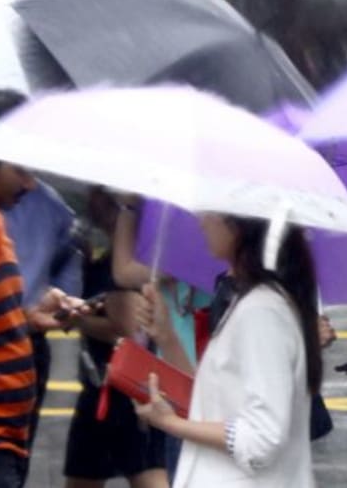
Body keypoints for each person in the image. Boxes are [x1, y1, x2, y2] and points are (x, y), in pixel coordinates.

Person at [134, 216, 320, 487]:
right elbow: (212, 404)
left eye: (212, 213)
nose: (201, 222)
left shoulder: (261, 311)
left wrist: (171, 424)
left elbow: (262, 438)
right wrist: (167, 337)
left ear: (239, 225)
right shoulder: (251, 304)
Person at [0, 90, 83, 456]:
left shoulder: (45, 212)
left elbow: (69, 257)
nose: (29, 183)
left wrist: (31, 314)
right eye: (21, 168)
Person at [63, 187, 168, 488]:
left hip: (123, 389)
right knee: (84, 475)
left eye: (99, 194)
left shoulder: (124, 264)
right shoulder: (116, 257)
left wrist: (79, 320)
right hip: (102, 384)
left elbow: (123, 329)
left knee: (147, 473)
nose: (91, 201)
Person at [110, 197, 212, 481]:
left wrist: (128, 208)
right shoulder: (183, 258)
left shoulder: (195, 256)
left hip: (199, 394)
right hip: (181, 387)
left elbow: (124, 270)